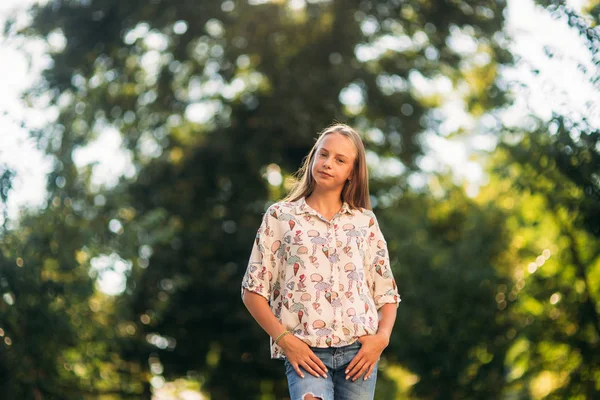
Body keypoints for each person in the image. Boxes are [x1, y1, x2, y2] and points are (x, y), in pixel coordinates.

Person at [241, 123, 400, 400]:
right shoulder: (281, 217)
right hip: (305, 354)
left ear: (352, 172)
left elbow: (386, 293)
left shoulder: (365, 222)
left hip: (358, 356)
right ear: (313, 157)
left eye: (340, 160)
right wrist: (285, 341)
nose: (328, 164)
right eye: (323, 155)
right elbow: (252, 291)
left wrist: (381, 340)